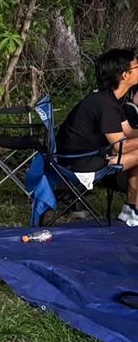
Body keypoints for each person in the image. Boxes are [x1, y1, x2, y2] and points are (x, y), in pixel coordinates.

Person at [55, 47, 138, 226]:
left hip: (91, 155)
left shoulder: (111, 99)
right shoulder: (105, 104)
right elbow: (120, 146)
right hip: (77, 163)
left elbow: (129, 131)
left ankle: (130, 208)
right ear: (125, 74)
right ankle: (133, 208)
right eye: (137, 67)